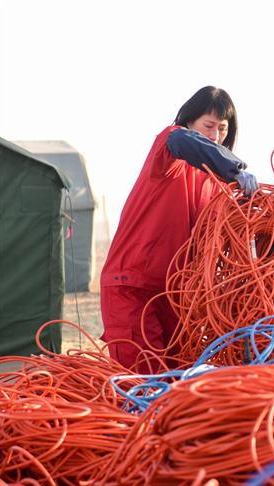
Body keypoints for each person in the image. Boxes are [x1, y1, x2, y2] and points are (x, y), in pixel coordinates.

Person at [100, 86, 258, 370]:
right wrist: (234, 168)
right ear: (188, 122)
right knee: (144, 382)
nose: (215, 136)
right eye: (208, 125)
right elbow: (183, 142)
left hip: (178, 296)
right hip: (132, 286)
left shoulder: (218, 186)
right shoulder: (169, 151)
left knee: (179, 381)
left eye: (222, 129)